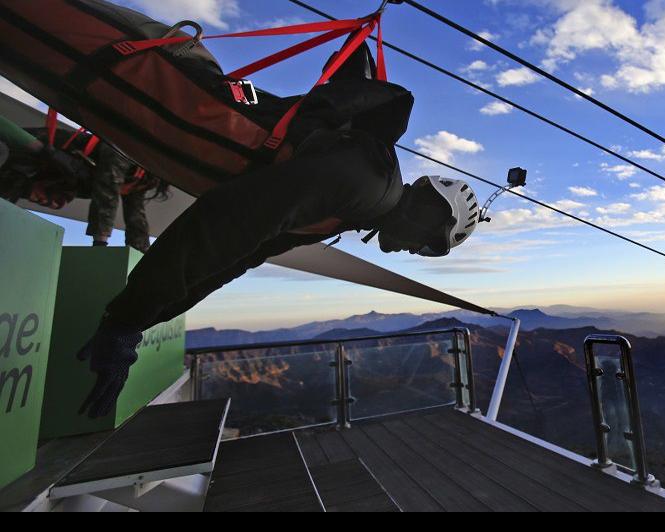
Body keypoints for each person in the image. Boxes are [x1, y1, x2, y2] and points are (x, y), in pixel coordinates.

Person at [76, 44, 482, 419]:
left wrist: (134, 322)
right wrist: (126, 321)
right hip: (163, 99)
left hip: (169, 126)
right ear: (428, 214)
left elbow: (237, 257)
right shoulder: (363, 185)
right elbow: (222, 226)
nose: (414, 252)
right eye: (427, 245)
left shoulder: (356, 204)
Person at [86, 142, 167, 253]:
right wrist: (99, 244)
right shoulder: (122, 152)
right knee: (108, 193)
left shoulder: (138, 173)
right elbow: (106, 196)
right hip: (65, 157)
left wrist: (141, 252)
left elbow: (136, 213)